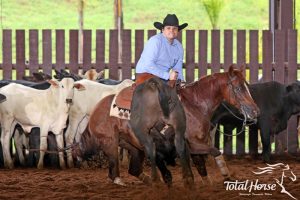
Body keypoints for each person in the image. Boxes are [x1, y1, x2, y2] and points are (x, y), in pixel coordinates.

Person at [135, 14, 188, 85]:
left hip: (163, 78)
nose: (172, 31)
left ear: (178, 31)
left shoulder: (179, 47)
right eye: (168, 28)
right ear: (163, 30)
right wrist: (168, 76)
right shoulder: (155, 41)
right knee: (160, 93)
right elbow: (148, 64)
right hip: (145, 74)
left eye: (175, 28)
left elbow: (177, 69)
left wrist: (181, 82)